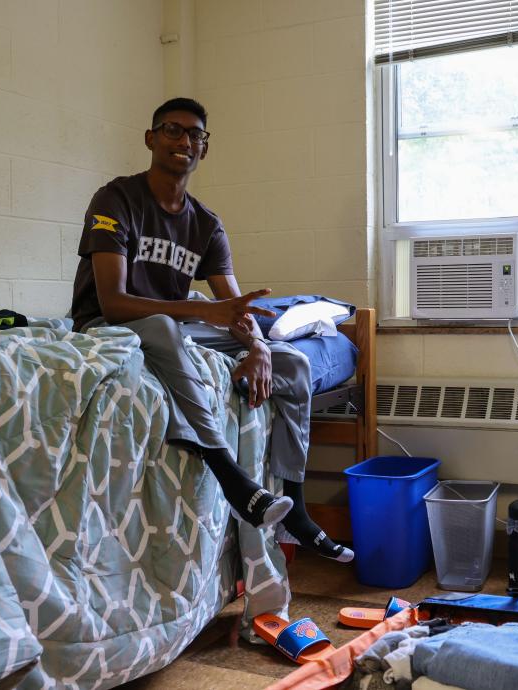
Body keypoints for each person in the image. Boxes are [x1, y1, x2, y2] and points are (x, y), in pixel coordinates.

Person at [69, 97, 353, 562]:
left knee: (295, 364)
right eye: (172, 130)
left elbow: (236, 305)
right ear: (151, 139)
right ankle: (230, 475)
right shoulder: (116, 199)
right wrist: (203, 312)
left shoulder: (205, 223)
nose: (184, 141)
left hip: (173, 324)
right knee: (166, 323)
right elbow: (113, 303)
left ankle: (297, 510)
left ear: (204, 148)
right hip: (107, 326)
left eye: (194, 135)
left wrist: (258, 346)